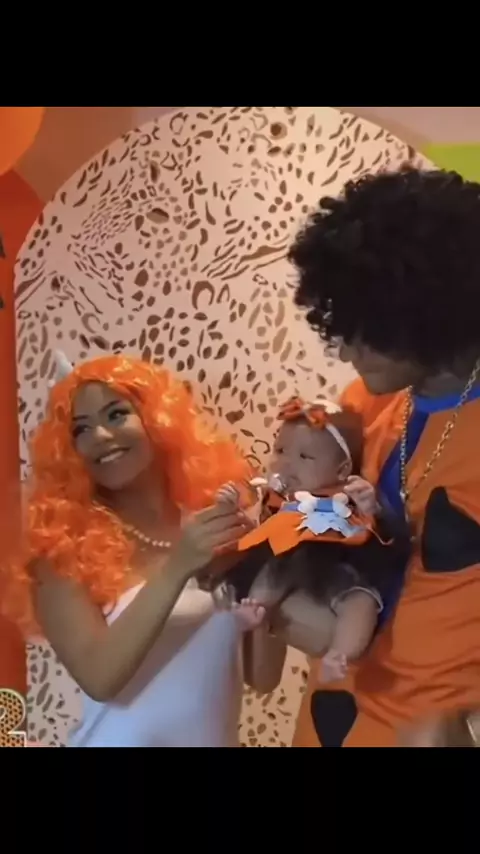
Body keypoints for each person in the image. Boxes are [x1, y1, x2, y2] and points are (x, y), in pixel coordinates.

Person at [287, 166, 480, 747]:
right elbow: (333, 547)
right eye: (339, 323)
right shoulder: (363, 408)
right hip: (333, 720)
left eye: (366, 326)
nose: (346, 347)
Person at [1, 354, 286, 747]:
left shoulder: (210, 528)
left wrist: (273, 564)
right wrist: (178, 566)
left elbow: (263, 677)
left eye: (116, 414)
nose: (101, 435)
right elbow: (99, 677)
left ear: (158, 417)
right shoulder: (59, 552)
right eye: (81, 429)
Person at [217, 395, 410, 684]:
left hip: (340, 570)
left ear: (341, 470)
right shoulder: (278, 498)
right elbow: (255, 525)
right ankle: (253, 609)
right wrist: (231, 505)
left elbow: (383, 539)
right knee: (269, 573)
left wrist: (372, 508)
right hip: (288, 563)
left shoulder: (348, 494)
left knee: (361, 601)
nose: (286, 464)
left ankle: (339, 655)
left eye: (305, 457)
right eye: (280, 450)